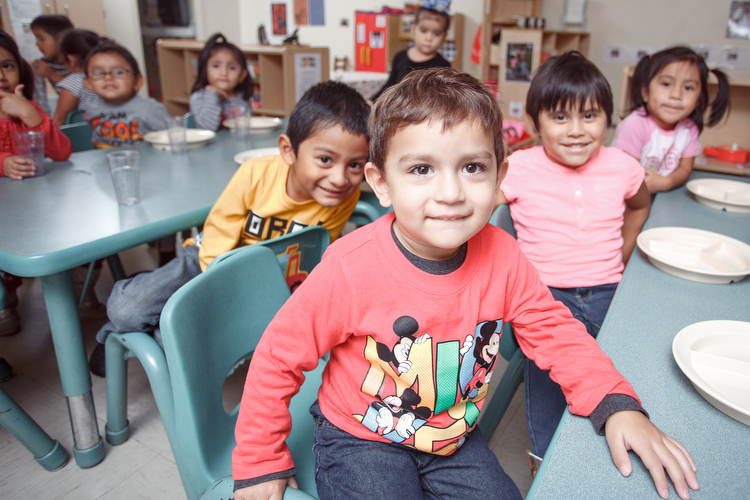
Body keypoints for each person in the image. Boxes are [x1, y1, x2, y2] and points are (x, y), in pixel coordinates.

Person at [231, 68, 699, 500]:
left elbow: (556, 334)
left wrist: (617, 404)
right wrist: (260, 462)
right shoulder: (350, 266)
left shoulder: (505, 257)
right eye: (420, 169)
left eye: (472, 167)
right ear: (381, 183)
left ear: (500, 175)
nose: (451, 193)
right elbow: (278, 357)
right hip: (359, 438)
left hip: (451, 438)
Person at [87, 80, 370, 376]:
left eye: (355, 165)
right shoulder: (254, 174)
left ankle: (157, 307)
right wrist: (214, 294)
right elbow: (218, 236)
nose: (340, 178)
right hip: (206, 262)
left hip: (261, 281)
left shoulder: (341, 197)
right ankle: (124, 319)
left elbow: (312, 256)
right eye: (325, 159)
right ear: (288, 150)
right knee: (126, 309)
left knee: (180, 346)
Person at [496, 51, 652, 460]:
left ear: (608, 119)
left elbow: (639, 203)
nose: (577, 131)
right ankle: (544, 463)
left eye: (590, 115)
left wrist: (626, 245)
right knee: (550, 381)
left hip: (608, 289)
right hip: (542, 297)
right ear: (535, 123)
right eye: (560, 118)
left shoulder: (622, 165)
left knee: (624, 372)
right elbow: (475, 211)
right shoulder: (518, 167)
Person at [613, 46, 731, 194]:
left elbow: (685, 168)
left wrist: (666, 182)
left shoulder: (689, 128)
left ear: (698, 100)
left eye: (688, 87)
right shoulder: (634, 125)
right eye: (666, 84)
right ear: (645, 93)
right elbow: (626, 177)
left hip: (660, 197)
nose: (676, 95)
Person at [0, 31, 72, 179]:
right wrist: (3, 164)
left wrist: (31, 116)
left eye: (7, 66)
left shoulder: (29, 109)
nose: (1, 77)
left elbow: (62, 153)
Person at [82, 42, 170, 148]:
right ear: (87, 83)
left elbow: (172, 141)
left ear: (138, 81)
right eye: (99, 73)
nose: (108, 78)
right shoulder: (92, 106)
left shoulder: (150, 109)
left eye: (118, 72)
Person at [369, 1, 451, 102]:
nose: (429, 38)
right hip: (397, 110)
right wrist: (372, 100)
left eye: (436, 33)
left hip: (424, 114)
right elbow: (390, 86)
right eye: (424, 30)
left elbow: (442, 96)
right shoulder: (400, 57)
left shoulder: (443, 64)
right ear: (413, 29)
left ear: (444, 36)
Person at [189, 33, 253, 131]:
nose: (224, 73)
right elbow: (208, 128)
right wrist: (211, 94)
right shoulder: (198, 98)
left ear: (242, 75)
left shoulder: (242, 99)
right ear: (204, 70)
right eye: (216, 66)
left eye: (232, 68)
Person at [51, 29, 100, 126]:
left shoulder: (74, 81)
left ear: (71, 60)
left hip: (81, 137)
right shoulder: (105, 78)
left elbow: (60, 117)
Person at [30, 15, 74, 87]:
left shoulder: (79, 62)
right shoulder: (47, 63)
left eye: (41, 39)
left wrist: (52, 75)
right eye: (36, 39)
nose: (37, 43)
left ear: (61, 39)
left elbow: (81, 93)